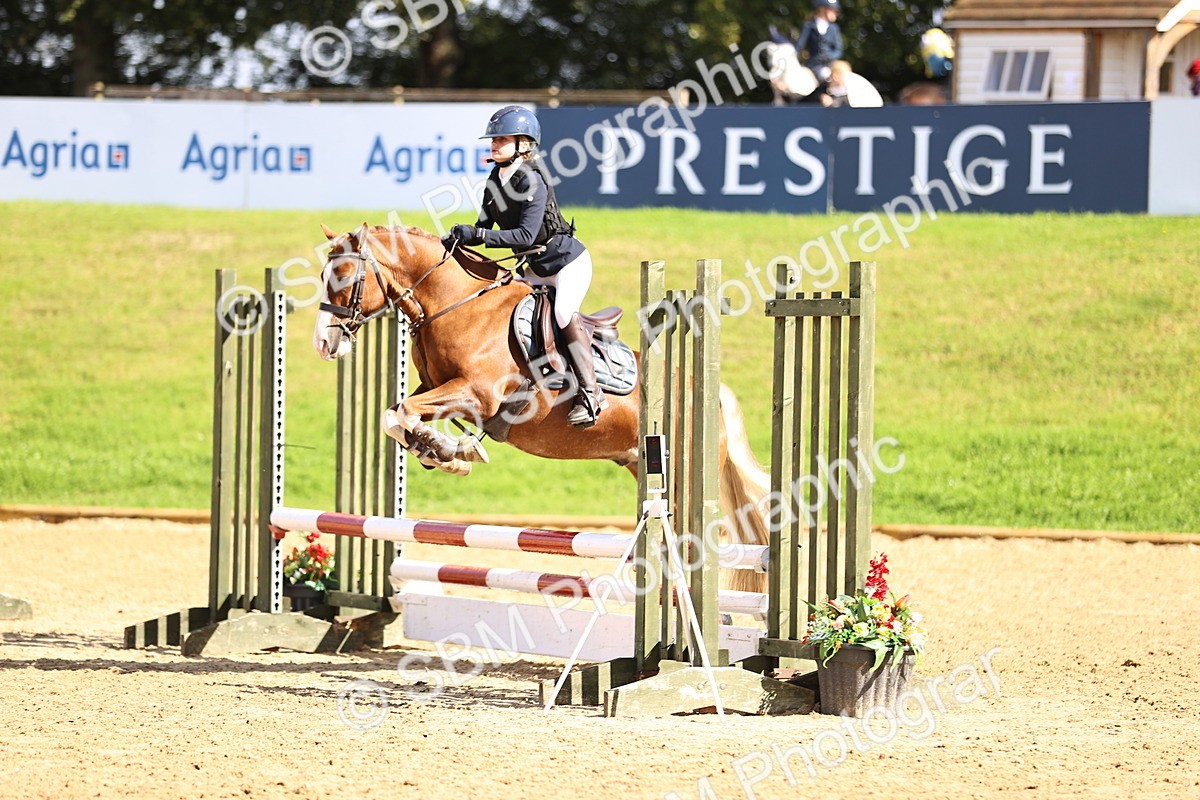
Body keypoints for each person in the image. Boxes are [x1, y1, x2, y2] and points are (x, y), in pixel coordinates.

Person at [444, 105, 607, 428]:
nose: (493, 144)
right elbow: (485, 226)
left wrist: (477, 234)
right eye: (492, 139)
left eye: (501, 139)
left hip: (566, 262)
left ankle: (591, 393)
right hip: (533, 265)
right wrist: (457, 238)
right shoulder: (495, 177)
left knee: (562, 313)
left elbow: (524, 234)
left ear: (524, 143)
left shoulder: (531, 180)